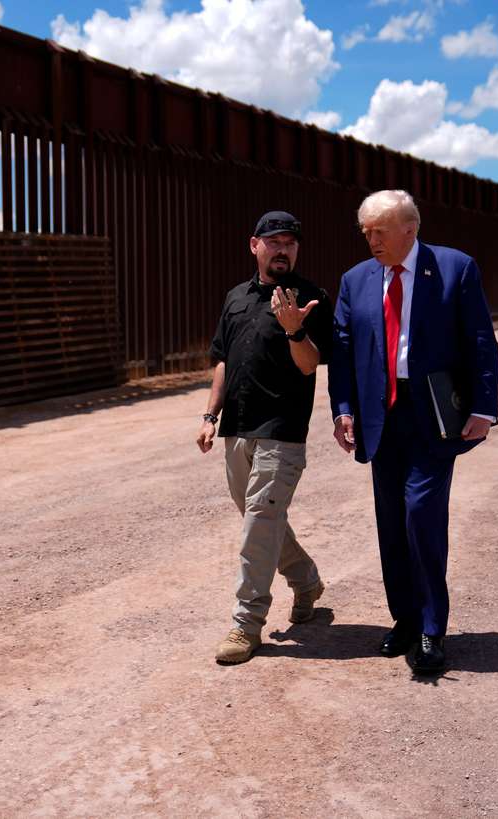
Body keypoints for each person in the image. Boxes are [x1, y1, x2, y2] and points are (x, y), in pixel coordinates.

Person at [328, 190, 498, 674]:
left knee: (421, 516)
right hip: (380, 417)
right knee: (390, 523)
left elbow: (480, 342)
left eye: (379, 231)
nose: (371, 240)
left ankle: (431, 629)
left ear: (411, 228)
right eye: (365, 232)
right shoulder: (355, 280)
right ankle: (404, 620)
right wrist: (343, 410)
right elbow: (341, 352)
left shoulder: (455, 268)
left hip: (432, 415)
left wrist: (485, 407)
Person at [197, 210, 334, 665]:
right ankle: (305, 577)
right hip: (236, 427)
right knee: (261, 520)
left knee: (259, 521)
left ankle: (246, 623)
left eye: (291, 243)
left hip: (282, 431)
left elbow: (310, 364)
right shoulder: (235, 298)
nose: (283, 250)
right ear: (254, 245)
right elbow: (222, 361)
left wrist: (295, 327)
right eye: (274, 242)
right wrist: (209, 414)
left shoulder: (311, 298)